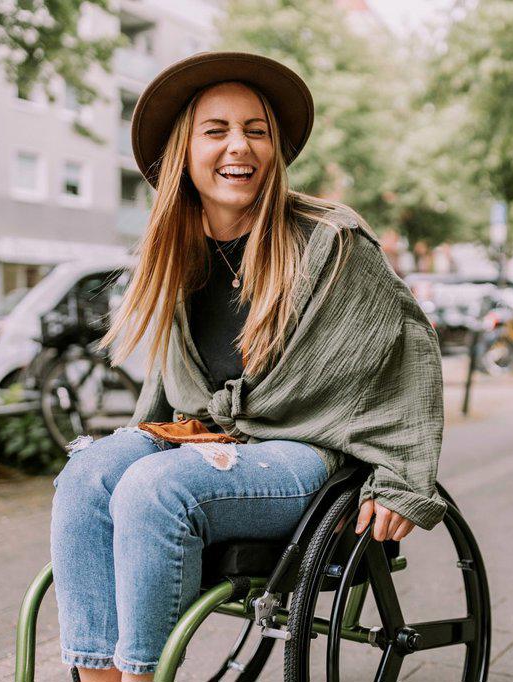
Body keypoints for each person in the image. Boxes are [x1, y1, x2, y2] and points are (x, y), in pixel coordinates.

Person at [49, 52, 445, 682]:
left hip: (308, 451)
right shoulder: (174, 246)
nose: (240, 147)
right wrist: (139, 440)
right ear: (185, 148)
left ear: (275, 148)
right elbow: (171, 380)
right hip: (211, 441)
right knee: (88, 474)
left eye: (256, 130)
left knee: (157, 489)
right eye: (217, 130)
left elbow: (407, 351)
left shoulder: (329, 240)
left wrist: (403, 481)